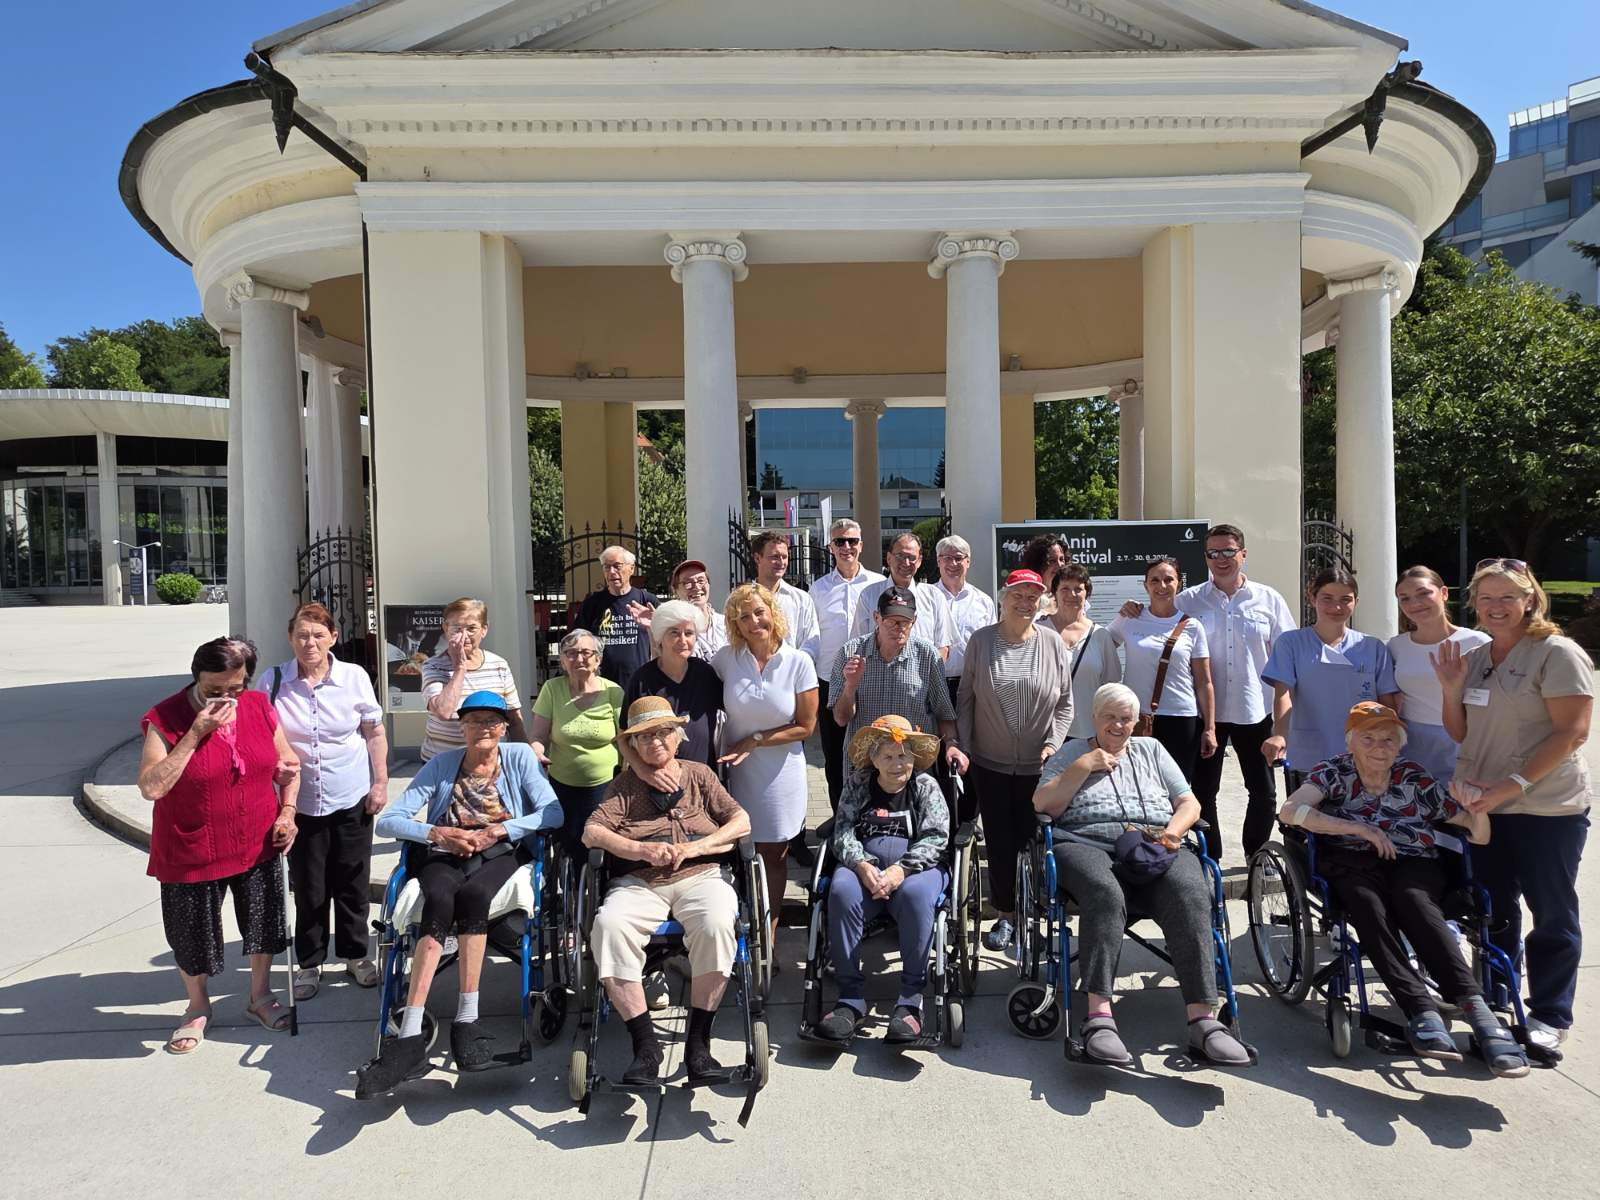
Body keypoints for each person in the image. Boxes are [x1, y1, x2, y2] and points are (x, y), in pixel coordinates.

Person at [1278, 702, 1527, 1077]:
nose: (1380, 746)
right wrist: (1359, 829)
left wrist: (1475, 806)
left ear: (1399, 745)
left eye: (1389, 739)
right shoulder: (1334, 772)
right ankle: (1421, 1009)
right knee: (1366, 905)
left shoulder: (1414, 776)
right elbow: (1290, 812)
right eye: (1370, 738)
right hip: (1353, 862)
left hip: (1415, 862)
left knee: (1414, 900)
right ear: (1351, 742)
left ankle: (1479, 1011)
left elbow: (1479, 834)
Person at [1033, 683, 1251, 1066]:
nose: (1118, 725)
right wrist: (1084, 766)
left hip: (1154, 842)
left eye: (1126, 718)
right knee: (1104, 892)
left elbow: (1188, 802)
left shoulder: (1152, 750)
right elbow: (1043, 805)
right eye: (1109, 717)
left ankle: (1204, 1021)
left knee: (1190, 889)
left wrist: (1172, 833)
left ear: (1137, 721)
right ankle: (1099, 1017)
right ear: (1095, 717)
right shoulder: (1071, 752)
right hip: (1086, 842)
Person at [358, 691, 562, 1096]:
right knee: (439, 897)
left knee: (475, 896)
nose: (483, 728)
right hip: (442, 852)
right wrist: (437, 833)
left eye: (492, 721)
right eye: (474, 721)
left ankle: (468, 1021)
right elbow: (389, 822)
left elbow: (552, 812)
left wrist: (499, 830)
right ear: (461, 727)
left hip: (501, 851)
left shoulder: (519, 757)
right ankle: (410, 1033)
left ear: (504, 728)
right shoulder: (441, 764)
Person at [1433, 558, 1593, 1055]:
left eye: (1507, 597)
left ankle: (1549, 1012)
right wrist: (1451, 689)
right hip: (1483, 808)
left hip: (1546, 808)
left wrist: (1513, 785)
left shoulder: (1556, 653)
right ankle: (1497, 999)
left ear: (1530, 599)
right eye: (1486, 598)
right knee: (1493, 908)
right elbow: (1459, 731)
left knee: (1551, 910)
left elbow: (1574, 732)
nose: (1496, 607)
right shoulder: (1479, 657)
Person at [137, 637, 301, 1054]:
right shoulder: (167, 717)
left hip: (256, 839)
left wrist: (287, 812)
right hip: (191, 843)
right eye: (215, 689)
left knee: (264, 925)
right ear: (197, 677)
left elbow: (289, 767)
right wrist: (195, 733)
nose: (227, 697)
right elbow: (151, 787)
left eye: (236, 686)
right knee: (192, 933)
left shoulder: (259, 706)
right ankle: (197, 1007)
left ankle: (259, 997)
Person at [583, 697, 753, 1083]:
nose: (656, 742)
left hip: (702, 874)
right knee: (609, 926)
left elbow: (740, 821)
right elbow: (591, 831)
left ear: (678, 737)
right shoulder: (623, 785)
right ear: (635, 745)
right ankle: (645, 1047)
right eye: (645, 737)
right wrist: (640, 849)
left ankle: (698, 1047)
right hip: (641, 881)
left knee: (716, 923)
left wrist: (695, 847)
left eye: (663, 733)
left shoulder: (699, 774)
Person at [1121, 525, 1295, 860]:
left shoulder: (1269, 599)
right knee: (1202, 791)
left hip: (1253, 710)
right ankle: (1209, 858)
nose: (1221, 559)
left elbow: (1285, 659)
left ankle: (1256, 858)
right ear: (1206, 558)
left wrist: (1285, 718)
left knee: (1263, 791)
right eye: (1213, 553)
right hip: (1206, 715)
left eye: (1228, 551)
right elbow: (1156, 613)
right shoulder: (1189, 600)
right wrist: (1133, 607)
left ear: (1243, 554)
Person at [259, 602, 388, 1001]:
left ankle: (355, 956)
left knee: (352, 880)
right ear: (290, 638)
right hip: (300, 801)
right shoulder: (273, 680)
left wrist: (380, 781)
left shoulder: (353, 676)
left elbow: (374, 732)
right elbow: (260, 737)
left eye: (317, 634)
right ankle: (310, 963)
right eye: (301, 634)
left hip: (350, 793)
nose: (309, 642)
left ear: (333, 637)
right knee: (309, 886)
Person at [813, 716, 951, 1044]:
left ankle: (910, 1000)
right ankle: (850, 998)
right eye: (887, 756)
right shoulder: (859, 783)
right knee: (841, 890)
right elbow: (843, 829)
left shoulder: (925, 786)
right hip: (866, 869)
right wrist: (861, 864)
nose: (896, 763)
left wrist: (901, 870)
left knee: (918, 896)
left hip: (916, 870)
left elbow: (936, 836)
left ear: (914, 758)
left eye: (903, 755)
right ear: (873, 759)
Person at [959, 569, 1073, 955]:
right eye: (1017, 596)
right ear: (1002, 598)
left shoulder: (1053, 643)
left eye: (1033, 597)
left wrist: (1054, 743)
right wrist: (966, 750)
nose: (1025, 603)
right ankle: (1005, 915)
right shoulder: (982, 641)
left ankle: (1033, 916)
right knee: (1000, 841)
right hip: (988, 764)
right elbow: (965, 701)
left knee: (1036, 842)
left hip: (1038, 768)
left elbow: (1065, 703)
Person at [712, 582, 820, 950]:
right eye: (743, 617)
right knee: (742, 850)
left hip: (780, 773)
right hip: (737, 773)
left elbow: (806, 726)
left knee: (774, 853)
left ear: (773, 613)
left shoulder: (798, 661)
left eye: (759, 612)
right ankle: (739, 924)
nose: (753, 621)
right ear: (735, 625)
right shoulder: (727, 659)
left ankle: (767, 936)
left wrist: (755, 740)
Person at [1262, 568, 1400, 785]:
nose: (1336, 607)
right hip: (1309, 756)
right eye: (1327, 598)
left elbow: (1387, 704)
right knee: (1306, 817)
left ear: (1356, 602)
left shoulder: (1372, 647)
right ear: (1312, 598)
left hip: (1365, 756)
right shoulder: (1291, 643)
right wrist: (1279, 734)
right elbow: (1283, 694)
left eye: (1345, 599)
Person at [830, 586, 968, 775]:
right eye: (891, 621)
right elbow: (840, 719)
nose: (899, 628)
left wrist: (952, 744)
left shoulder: (927, 655)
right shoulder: (850, 653)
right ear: (876, 617)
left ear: (915, 621)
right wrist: (850, 686)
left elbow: (943, 711)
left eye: (905, 622)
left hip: (913, 766)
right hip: (866, 765)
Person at [1109, 557, 1216, 784]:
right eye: (1155, 580)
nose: (1162, 586)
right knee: (1136, 783)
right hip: (1135, 718)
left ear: (1179, 583)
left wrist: (1210, 728)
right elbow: (1100, 647)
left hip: (1181, 717)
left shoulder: (1192, 626)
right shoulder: (1130, 618)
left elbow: (1204, 681)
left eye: (1169, 579)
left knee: (1177, 786)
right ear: (1145, 585)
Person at [810, 518, 885, 808]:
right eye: (840, 541)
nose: (847, 547)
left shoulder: (878, 585)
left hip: (871, 680)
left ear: (861, 545)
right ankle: (838, 815)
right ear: (831, 547)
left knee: (871, 753)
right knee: (834, 755)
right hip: (830, 681)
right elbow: (813, 635)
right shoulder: (818, 589)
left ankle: (871, 814)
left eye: (852, 541)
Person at [1389, 565, 1489, 781]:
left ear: (1444, 593)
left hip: (1464, 743)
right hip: (1411, 745)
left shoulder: (1477, 643)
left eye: (1423, 593)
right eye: (1404, 598)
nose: (1414, 603)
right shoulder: (1395, 647)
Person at [530, 629, 625, 851]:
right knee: (567, 843)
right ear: (562, 661)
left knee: (598, 844)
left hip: (605, 786)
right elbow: (537, 736)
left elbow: (624, 739)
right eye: (570, 653)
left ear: (598, 659)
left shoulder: (613, 691)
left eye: (585, 652)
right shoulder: (552, 689)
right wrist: (536, 751)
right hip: (561, 784)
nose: (579, 658)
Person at [419, 596, 526, 762]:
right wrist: (459, 668)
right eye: (457, 628)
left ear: (484, 630)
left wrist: (526, 758)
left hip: (490, 762)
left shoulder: (499, 665)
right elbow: (443, 711)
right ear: (446, 629)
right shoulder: (433, 666)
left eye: (471, 628)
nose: (464, 635)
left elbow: (514, 718)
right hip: (443, 763)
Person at [622, 600, 724, 770]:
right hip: (655, 783)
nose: (682, 640)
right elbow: (623, 737)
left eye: (689, 633)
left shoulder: (705, 673)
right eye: (674, 633)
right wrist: (644, 772)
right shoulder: (641, 679)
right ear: (660, 637)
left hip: (701, 779)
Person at [1041, 562, 1121, 741]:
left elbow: (1110, 687)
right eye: (1065, 588)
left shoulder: (1100, 636)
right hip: (1043, 733)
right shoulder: (1038, 630)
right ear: (1054, 593)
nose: (1072, 594)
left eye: (1078, 589)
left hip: (1087, 734)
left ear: (1087, 594)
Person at [849, 532, 953, 658]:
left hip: (922, 676)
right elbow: (858, 645)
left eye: (912, 557)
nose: (906, 562)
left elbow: (943, 648)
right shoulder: (869, 595)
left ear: (919, 561)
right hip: (879, 676)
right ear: (888, 558)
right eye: (900, 556)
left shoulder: (934, 596)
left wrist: (928, 676)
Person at [575, 544, 659, 691]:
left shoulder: (647, 601)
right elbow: (578, 641)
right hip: (601, 686)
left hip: (640, 685)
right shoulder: (592, 603)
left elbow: (665, 640)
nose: (611, 572)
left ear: (631, 568)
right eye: (606, 567)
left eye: (617, 566)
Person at [935, 534, 997, 706]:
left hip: (972, 685)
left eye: (958, 558)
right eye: (947, 558)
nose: (953, 564)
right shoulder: (925, 598)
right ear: (938, 561)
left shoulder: (983, 602)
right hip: (933, 684)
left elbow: (991, 646)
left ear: (968, 562)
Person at [751, 529, 821, 667]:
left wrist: (793, 669)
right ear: (757, 558)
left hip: (790, 678)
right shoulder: (742, 599)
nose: (781, 562)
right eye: (774, 557)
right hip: (752, 676)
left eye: (784, 556)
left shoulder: (801, 599)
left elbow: (811, 643)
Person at [670, 559, 728, 660]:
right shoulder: (672, 630)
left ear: (708, 585)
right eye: (687, 583)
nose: (696, 587)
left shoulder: (726, 624)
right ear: (675, 591)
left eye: (701, 581)